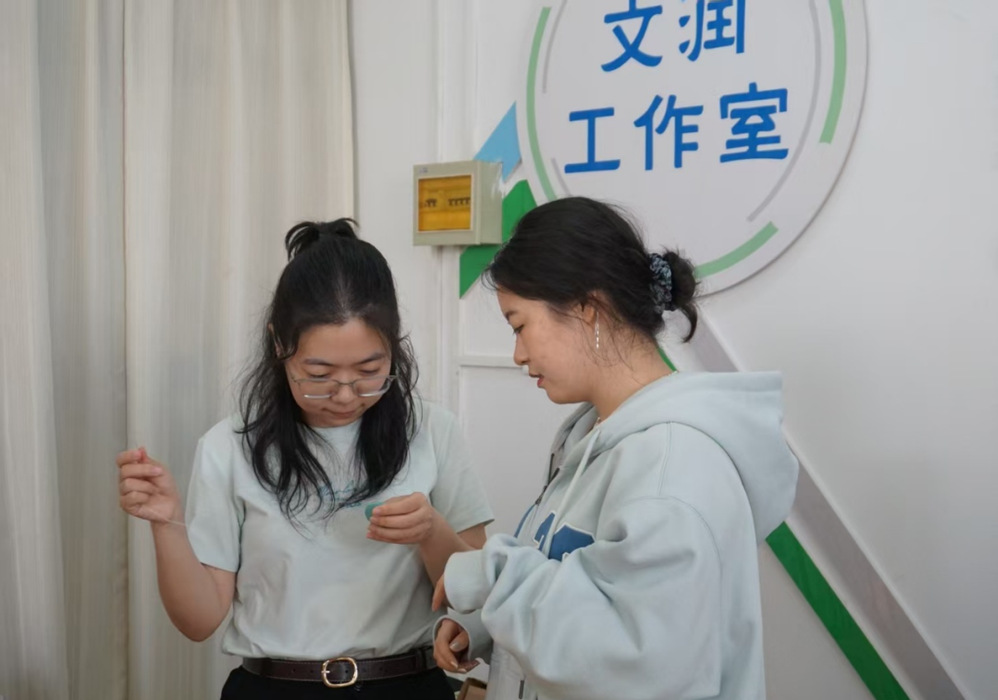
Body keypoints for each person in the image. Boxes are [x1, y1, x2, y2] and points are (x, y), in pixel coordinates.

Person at [431, 197, 799, 700]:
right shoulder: (592, 436)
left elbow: (634, 661)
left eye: (520, 325)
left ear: (588, 309)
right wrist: (489, 624)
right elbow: (577, 589)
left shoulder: (672, 466)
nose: (517, 354)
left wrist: (491, 577)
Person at [117, 219, 493, 700]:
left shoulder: (433, 431)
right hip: (272, 688)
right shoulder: (228, 447)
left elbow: (475, 596)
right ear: (279, 345)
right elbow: (199, 621)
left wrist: (431, 531)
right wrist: (166, 523)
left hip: (407, 686)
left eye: (370, 370)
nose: (345, 394)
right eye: (318, 374)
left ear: (393, 346)